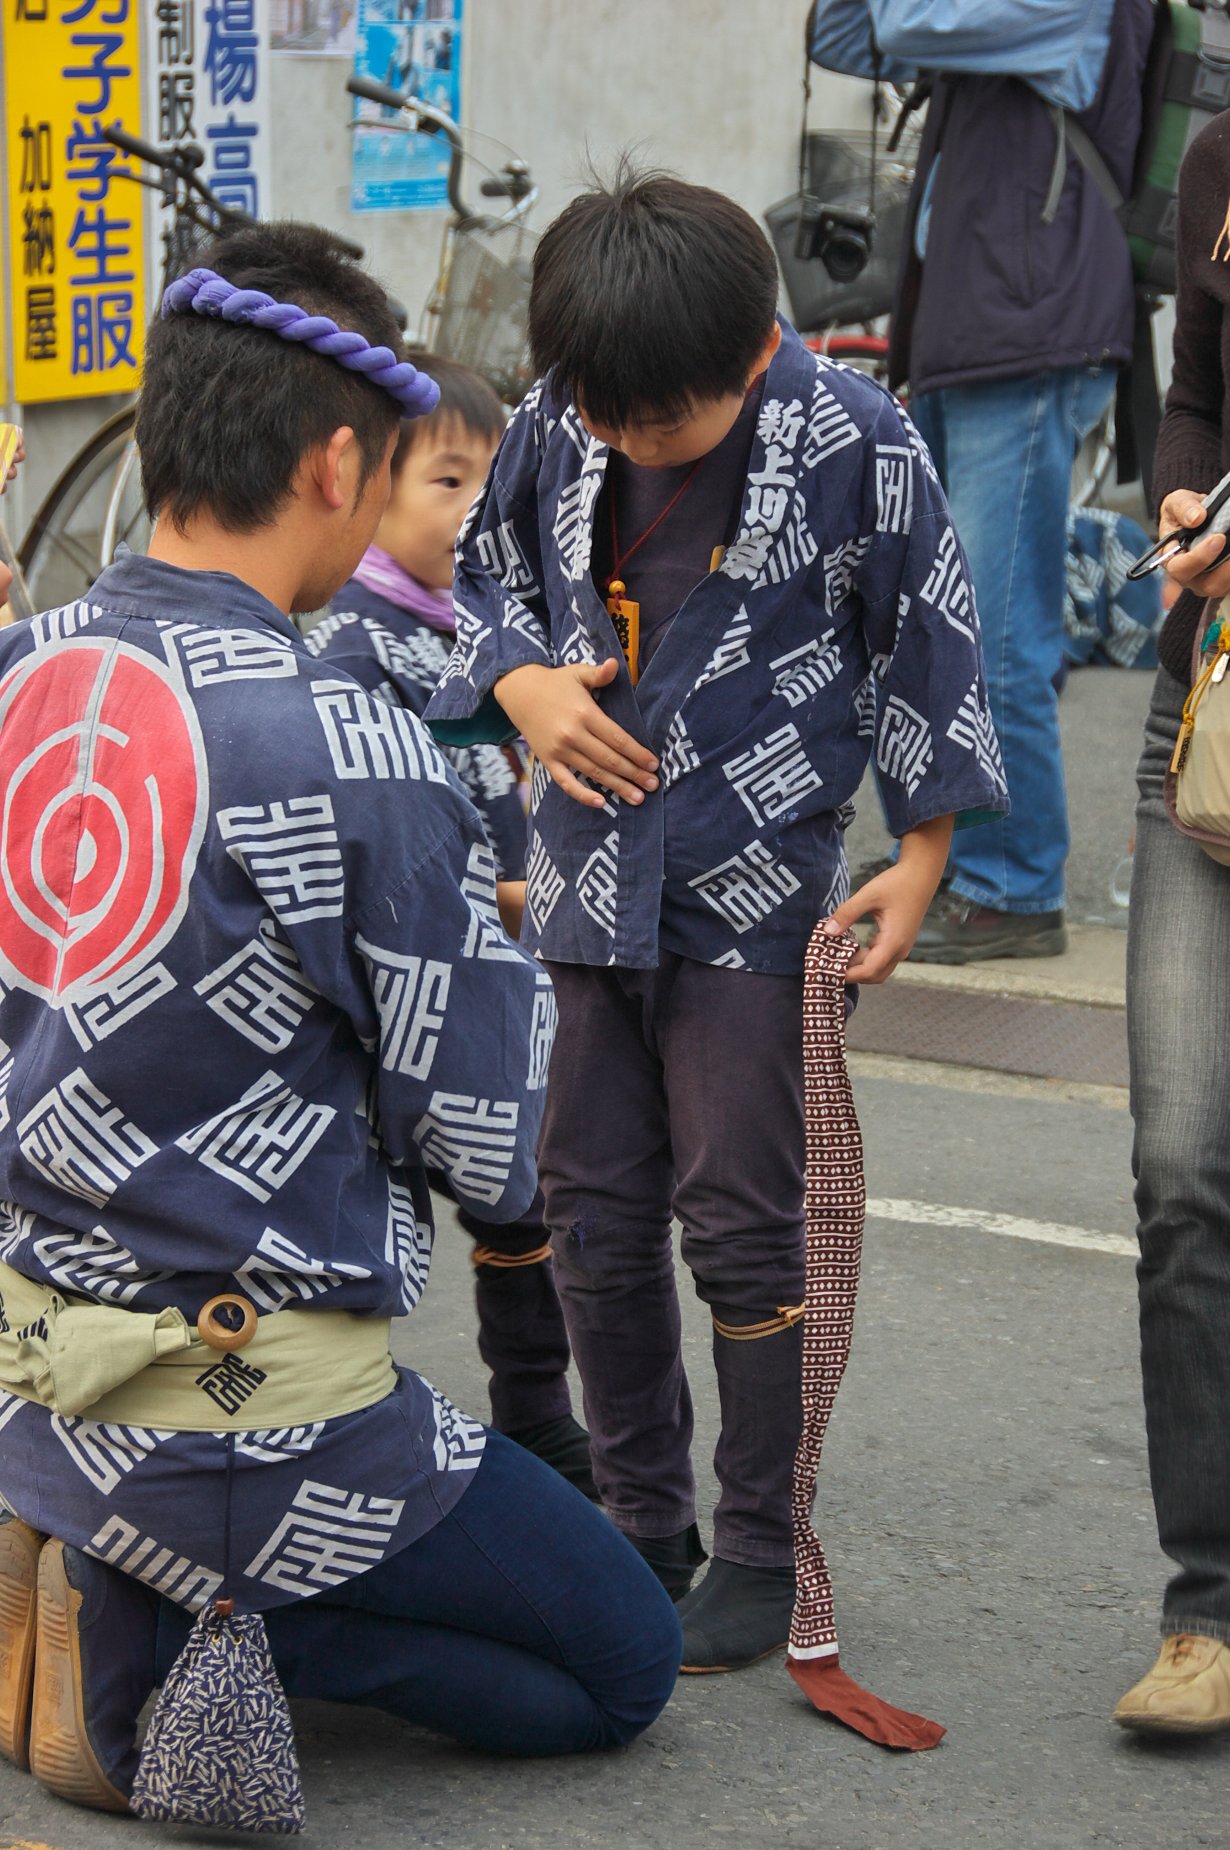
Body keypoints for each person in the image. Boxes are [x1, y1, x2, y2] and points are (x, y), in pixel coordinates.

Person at [0, 220, 680, 1820]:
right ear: (330, 467)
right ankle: (156, 1630)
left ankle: (77, 1535)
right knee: (619, 1663)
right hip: (256, 1411)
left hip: (39, 1357)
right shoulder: (349, 741)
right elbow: (487, 1142)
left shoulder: (21, 669)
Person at [424, 165, 1008, 1671]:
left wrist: (924, 848)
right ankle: (642, 1518)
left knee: (744, 1221)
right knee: (591, 1215)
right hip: (577, 876)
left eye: (658, 423)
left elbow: (928, 635)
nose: (622, 441)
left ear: (753, 353)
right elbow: (475, 581)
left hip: (751, 890)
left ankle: (755, 1536)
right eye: (603, 414)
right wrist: (522, 684)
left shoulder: (857, 442)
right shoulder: (564, 413)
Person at [810, 0, 1153, 962]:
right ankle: (949, 856)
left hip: (1032, 335)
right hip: (969, 332)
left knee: (992, 628)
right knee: (910, 614)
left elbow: (910, 25)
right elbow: (842, 36)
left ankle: (1012, 882)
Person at [308, 354, 593, 1494]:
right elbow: (398, 859)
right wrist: (528, 897)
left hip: (513, 948)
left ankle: (534, 1406)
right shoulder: (358, 651)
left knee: (528, 1192)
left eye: (492, 482)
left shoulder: (491, 628)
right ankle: (506, 1412)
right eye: (447, 481)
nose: (475, 510)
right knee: (498, 1181)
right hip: (435, 963)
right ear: (368, 488)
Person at [1117, 107, 1230, 1733]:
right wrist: (1186, 494)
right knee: (1181, 1166)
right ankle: (1210, 1606)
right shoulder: (1219, 158)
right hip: (1207, 721)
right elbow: (1195, 387)